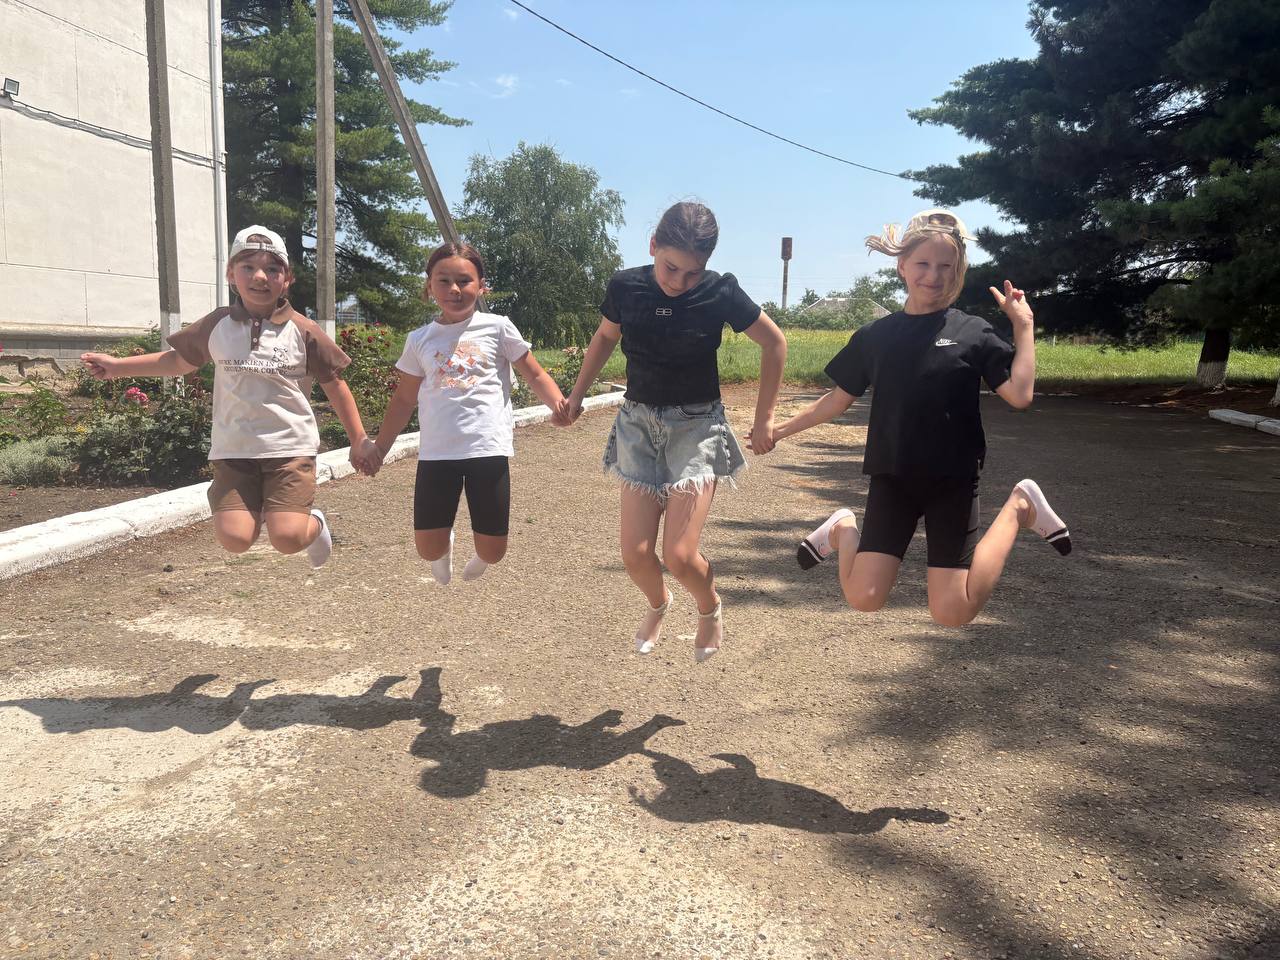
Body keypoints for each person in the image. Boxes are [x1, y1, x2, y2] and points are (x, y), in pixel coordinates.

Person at [768, 209, 1070, 626]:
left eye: (946, 266)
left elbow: (1019, 395)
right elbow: (836, 400)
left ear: (958, 270)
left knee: (953, 611)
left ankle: (1020, 505)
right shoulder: (875, 337)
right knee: (864, 597)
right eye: (923, 263)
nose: (933, 275)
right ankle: (842, 528)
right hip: (893, 479)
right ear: (902, 266)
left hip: (953, 481)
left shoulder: (973, 332)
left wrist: (1024, 326)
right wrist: (778, 429)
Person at [563, 201, 788, 662]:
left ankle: (709, 607)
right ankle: (658, 603)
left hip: (697, 426)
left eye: (692, 272)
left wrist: (764, 417)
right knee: (635, 554)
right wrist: (577, 394)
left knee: (680, 555)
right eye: (671, 267)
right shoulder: (626, 286)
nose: (679, 281)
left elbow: (774, 342)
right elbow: (605, 337)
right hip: (637, 425)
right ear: (653, 246)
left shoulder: (720, 291)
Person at [81, 225, 372, 568]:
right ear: (231, 274)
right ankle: (261, 508)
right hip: (234, 451)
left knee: (288, 538)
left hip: (289, 450)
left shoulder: (302, 330)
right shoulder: (217, 324)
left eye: (273, 269)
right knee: (235, 539)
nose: (260, 277)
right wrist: (117, 367)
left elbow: (335, 384)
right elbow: (177, 361)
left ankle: (314, 525)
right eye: (248, 267)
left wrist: (359, 440)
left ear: (287, 279)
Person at [359, 242, 568, 584]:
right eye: (443, 281)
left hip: (487, 450)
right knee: (428, 549)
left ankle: (483, 556)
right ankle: (445, 546)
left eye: (464, 280)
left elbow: (534, 374)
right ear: (429, 286)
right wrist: (380, 448)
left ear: (481, 286)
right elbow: (403, 400)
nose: (454, 289)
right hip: (437, 454)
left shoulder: (498, 327)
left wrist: (558, 404)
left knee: (493, 552)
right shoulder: (419, 339)